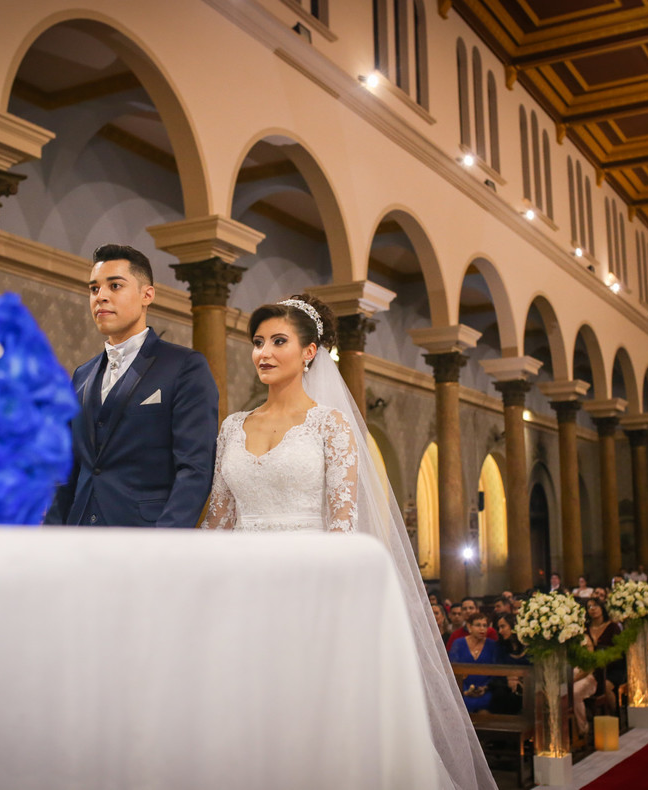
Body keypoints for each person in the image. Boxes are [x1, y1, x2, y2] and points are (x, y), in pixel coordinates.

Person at [201, 294, 495, 790]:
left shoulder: (329, 425)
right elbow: (218, 517)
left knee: (309, 717)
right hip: (241, 592)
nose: (264, 353)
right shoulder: (233, 427)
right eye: (257, 342)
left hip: (306, 591)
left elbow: (342, 523)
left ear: (310, 351)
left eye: (278, 341)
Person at [44, 244, 218, 528]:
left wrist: (162, 543)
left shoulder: (185, 366)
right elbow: (66, 467)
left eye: (115, 286)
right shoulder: (82, 375)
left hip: (144, 537)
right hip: (77, 537)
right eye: (94, 288)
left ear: (147, 294)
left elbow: (195, 468)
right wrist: (52, 533)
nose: (101, 297)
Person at [448, 613, 498, 713]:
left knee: (488, 707)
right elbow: (452, 670)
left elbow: (496, 672)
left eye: (485, 625)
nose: (482, 629)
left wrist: (485, 687)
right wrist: (465, 690)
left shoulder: (492, 645)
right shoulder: (458, 643)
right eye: (478, 625)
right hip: (462, 690)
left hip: (485, 690)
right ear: (469, 626)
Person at [585, 598, 624, 714]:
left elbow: (619, 651)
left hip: (613, 668)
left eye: (596, 605)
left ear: (602, 608)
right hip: (592, 669)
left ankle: (615, 715)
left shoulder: (612, 627)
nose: (593, 609)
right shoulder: (585, 630)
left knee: (605, 686)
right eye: (589, 607)